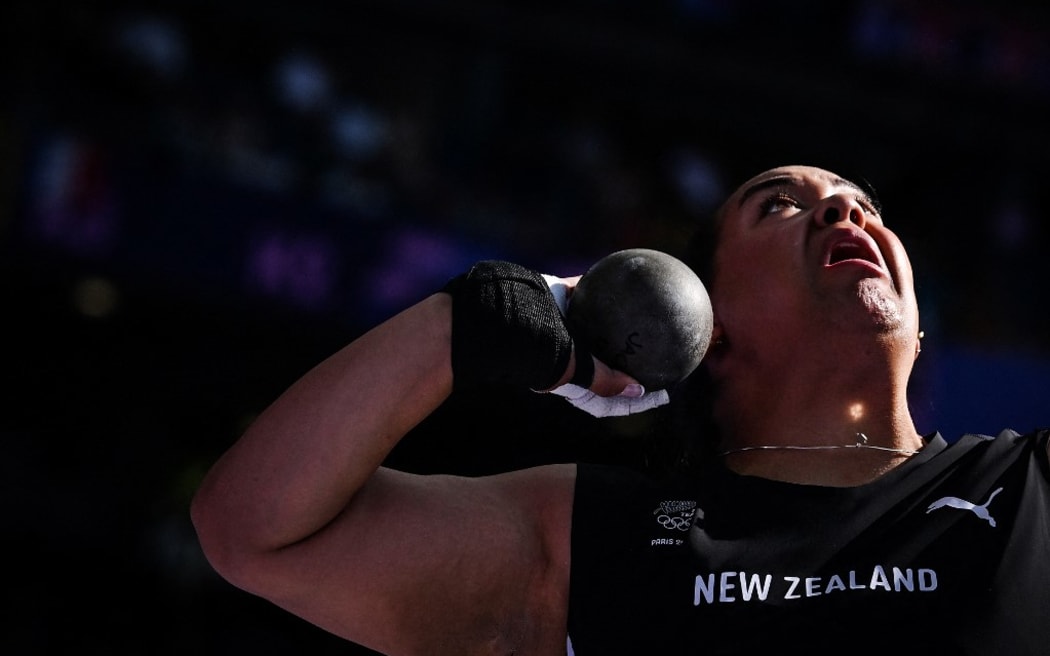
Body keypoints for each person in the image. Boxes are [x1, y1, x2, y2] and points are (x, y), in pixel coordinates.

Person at [191, 165, 1049, 655]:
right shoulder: (605, 537)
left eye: (867, 206)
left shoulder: (1028, 490)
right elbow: (258, 531)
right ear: (701, 323)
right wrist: (475, 319)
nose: (844, 209)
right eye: (780, 205)